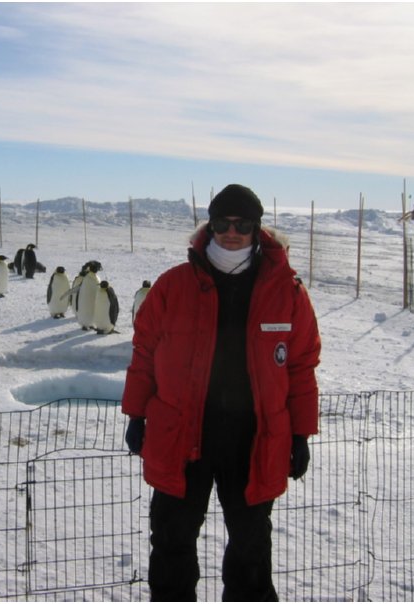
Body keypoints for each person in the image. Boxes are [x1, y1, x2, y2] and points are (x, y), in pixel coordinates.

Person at [121, 184, 321, 602]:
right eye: (222, 223)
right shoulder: (172, 286)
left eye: (242, 224)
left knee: (250, 549)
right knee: (172, 543)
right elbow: (144, 354)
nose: (232, 232)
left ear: (256, 228)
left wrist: (300, 435)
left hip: (253, 440)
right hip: (182, 436)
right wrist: (136, 415)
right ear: (209, 226)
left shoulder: (287, 292)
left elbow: (301, 366)